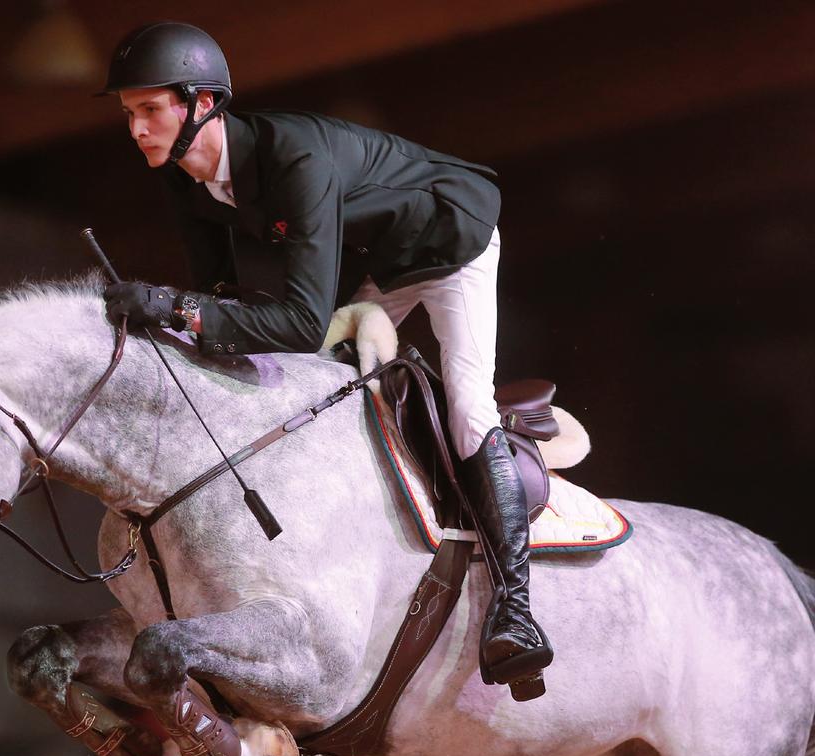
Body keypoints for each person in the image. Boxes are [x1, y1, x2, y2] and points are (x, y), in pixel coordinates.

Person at [99, 22, 551, 688]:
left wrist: (172, 308)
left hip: (453, 243)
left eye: (148, 111)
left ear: (200, 105)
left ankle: (517, 610)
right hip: (386, 263)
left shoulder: (295, 158)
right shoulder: (184, 178)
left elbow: (300, 318)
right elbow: (220, 296)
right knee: (324, 385)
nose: (137, 129)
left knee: (465, 405)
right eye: (129, 115)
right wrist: (177, 318)